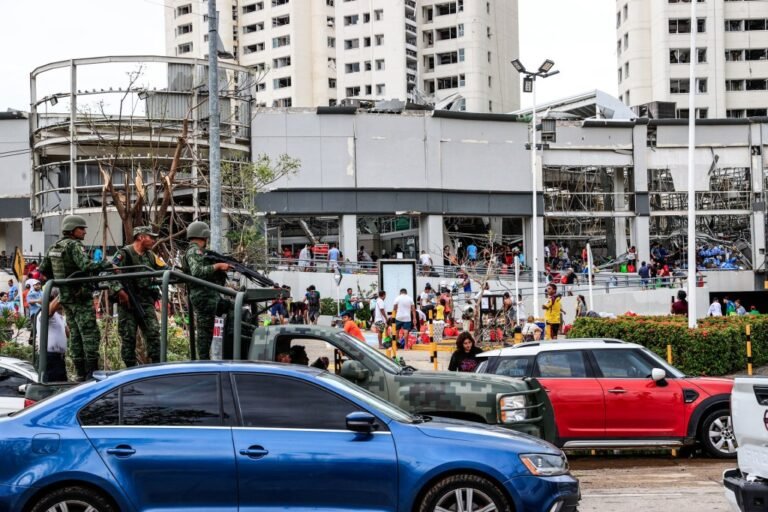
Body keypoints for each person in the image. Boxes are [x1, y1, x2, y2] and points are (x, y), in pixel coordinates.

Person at [39, 215, 111, 380]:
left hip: (66, 299)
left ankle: (79, 375)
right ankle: (91, 375)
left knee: (76, 337)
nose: (85, 231)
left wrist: (62, 282)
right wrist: (107, 264)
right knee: (90, 335)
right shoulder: (74, 246)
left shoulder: (54, 247)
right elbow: (86, 266)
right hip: (80, 298)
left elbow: (43, 270)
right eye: (81, 228)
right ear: (72, 230)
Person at [111, 226, 166, 367]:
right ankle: (131, 371)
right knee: (128, 338)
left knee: (153, 333)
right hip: (128, 303)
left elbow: (164, 269)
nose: (153, 240)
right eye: (150, 237)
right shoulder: (124, 253)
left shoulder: (150, 255)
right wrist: (120, 291)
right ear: (141, 237)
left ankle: (157, 367)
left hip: (145, 301)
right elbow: (109, 273)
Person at [182, 221, 232, 360]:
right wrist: (218, 266)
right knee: (205, 333)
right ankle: (203, 362)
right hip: (203, 297)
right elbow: (197, 272)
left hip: (209, 296)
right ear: (203, 236)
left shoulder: (201, 252)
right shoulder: (194, 251)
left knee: (230, 311)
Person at [35, 289, 69, 382]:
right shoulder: (44, 313)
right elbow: (49, 311)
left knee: (61, 385)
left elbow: (68, 333)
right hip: (49, 357)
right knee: (52, 385)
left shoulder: (60, 316)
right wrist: (62, 294)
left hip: (59, 357)